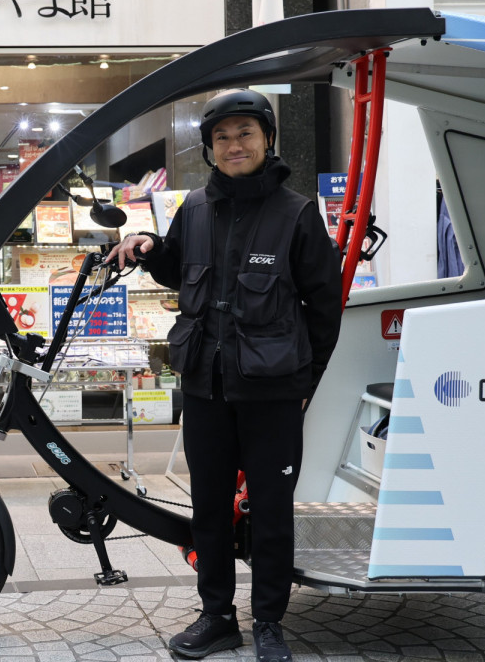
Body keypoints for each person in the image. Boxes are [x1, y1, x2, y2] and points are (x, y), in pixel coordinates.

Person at [108, 90, 342, 661]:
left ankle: (268, 622)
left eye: (245, 133)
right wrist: (147, 247)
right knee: (209, 507)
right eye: (222, 137)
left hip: (272, 391)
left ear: (266, 140)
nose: (234, 145)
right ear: (210, 150)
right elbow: (179, 271)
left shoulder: (297, 213)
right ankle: (216, 616)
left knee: (270, 508)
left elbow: (325, 307)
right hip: (205, 386)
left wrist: (304, 383)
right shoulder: (194, 208)